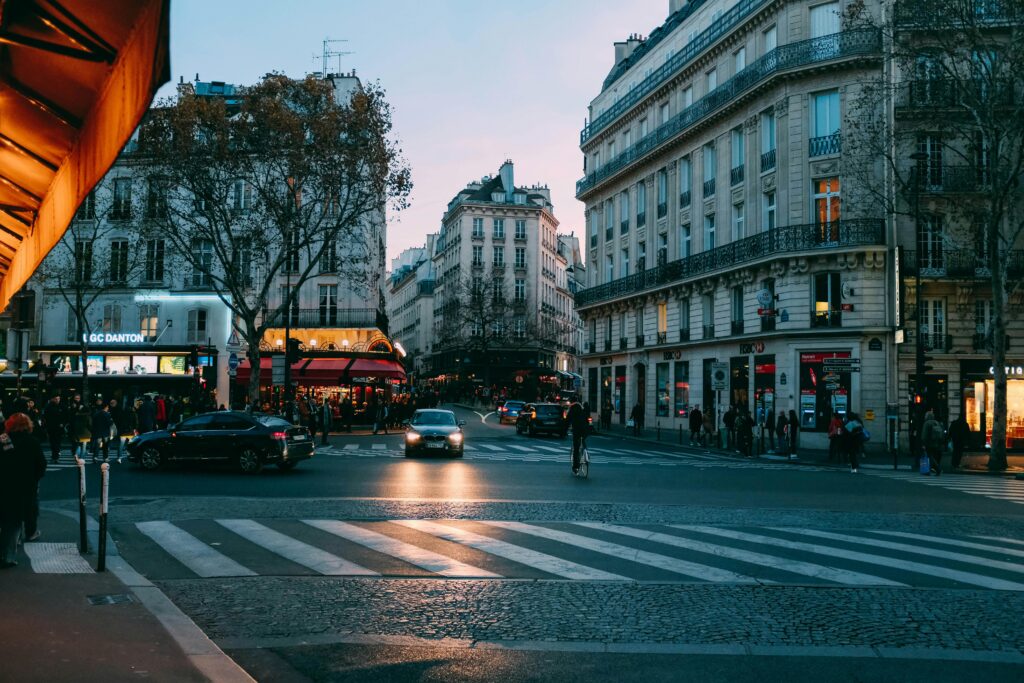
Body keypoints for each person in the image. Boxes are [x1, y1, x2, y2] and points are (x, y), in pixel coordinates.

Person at [0, 413, 47, 565]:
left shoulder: (3, 440)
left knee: (5, 519)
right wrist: (34, 479)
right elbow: (41, 465)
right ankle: (7, 556)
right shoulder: (32, 442)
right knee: (13, 521)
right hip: (23, 486)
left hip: (3, 483)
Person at [565, 399, 591, 474]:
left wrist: (565, 430)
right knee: (583, 440)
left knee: (576, 448)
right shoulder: (583, 410)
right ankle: (586, 452)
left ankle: (575, 467)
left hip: (577, 430)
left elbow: (567, 421)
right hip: (585, 430)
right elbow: (588, 420)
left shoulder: (572, 411)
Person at [42, 395, 65, 464]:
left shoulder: (61, 406)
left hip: (58, 427)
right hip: (51, 427)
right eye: (56, 399)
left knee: (57, 442)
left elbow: (65, 415)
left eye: (59, 398)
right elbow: (45, 417)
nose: (58, 400)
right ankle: (55, 456)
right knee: (53, 442)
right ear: (53, 399)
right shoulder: (48, 407)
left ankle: (55, 456)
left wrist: (63, 423)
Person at [922, 410, 946, 476]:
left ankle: (938, 469)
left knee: (929, 457)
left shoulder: (927, 423)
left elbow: (924, 435)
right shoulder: (937, 422)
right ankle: (931, 470)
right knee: (933, 456)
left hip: (929, 443)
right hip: (937, 443)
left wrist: (923, 443)